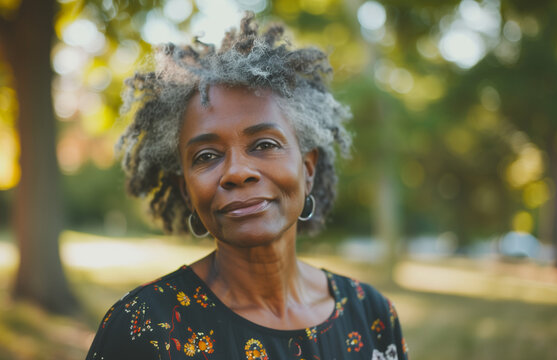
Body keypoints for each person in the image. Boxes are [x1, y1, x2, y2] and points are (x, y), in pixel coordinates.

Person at [87, 13, 408, 360]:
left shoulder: (372, 316)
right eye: (206, 155)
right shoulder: (146, 330)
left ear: (308, 168)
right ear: (186, 191)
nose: (237, 172)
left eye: (265, 145)